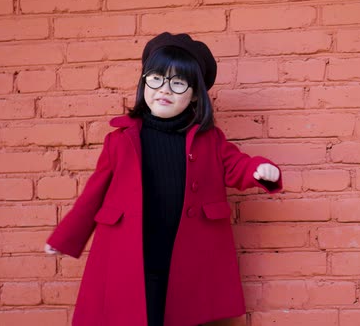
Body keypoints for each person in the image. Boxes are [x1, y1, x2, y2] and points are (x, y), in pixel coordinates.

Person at [44, 32, 282, 326]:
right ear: (144, 82)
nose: (164, 89)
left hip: (188, 256)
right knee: (138, 315)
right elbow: (94, 193)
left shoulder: (209, 140)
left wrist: (259, 170)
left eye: (178, 82)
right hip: (133, 254)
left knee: (180, 315)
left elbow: (237, 165)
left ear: (195, 94)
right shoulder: (121, 140)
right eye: (155, 78)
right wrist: (65, 237)